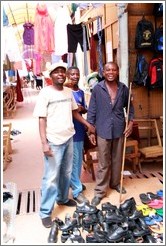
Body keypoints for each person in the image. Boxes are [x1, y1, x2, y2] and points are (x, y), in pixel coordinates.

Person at [33, 61, 95, 228]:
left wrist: (87, 124)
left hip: (68, 138)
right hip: (53, 140)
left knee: (66, 172)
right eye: (56, 72)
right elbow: (41, 118)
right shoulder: (45, 93)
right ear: (51, 75)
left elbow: (74, 112)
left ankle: (62, 198)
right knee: (51, 177)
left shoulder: (68, 92)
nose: (60, 74)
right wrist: (44, 143)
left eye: (62, 71)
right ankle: (45, 212)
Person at [87, 61, 134, 206]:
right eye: (108, 70)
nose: (111, 72)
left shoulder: (124, 88)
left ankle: (115, 184)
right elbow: (92, 110)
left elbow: (130, 108)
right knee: (103, 162)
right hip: (102, 129)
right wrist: (91, 129)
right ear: (103, 72)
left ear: (117, 72)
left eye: (114, 70)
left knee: (117, 159)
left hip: (119, 128)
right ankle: (100, 191)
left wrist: (131, 123)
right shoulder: (97, 89)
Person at [65, 66, 88, 204]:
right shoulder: (65, 92)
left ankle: (76, 182)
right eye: (72, 74)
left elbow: (84, 109)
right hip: (69, 129)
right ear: (67, 75)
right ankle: (76, 191)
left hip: (79, 129)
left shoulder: (80, 92)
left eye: (77, 74)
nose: (75, 76)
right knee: (73, 161)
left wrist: (81, 108)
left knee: (79, 159)